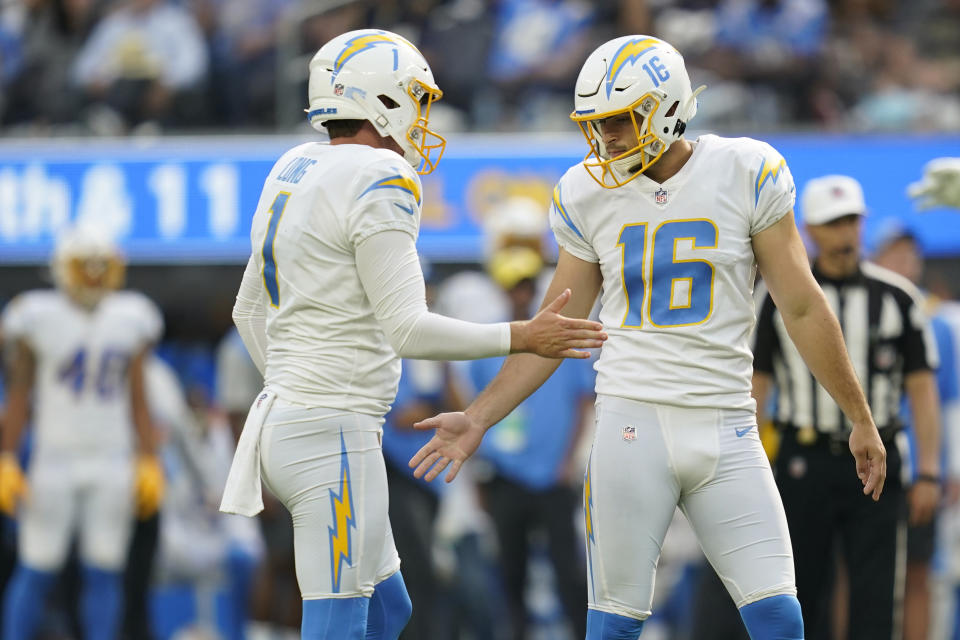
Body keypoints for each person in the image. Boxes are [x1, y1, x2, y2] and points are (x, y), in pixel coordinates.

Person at [410, 34, 888, 640]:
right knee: (613, 622)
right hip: (630, 424)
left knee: (777, 617)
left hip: (726, 422)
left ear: (666, 106)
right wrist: (479, 417)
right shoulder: (586, 191)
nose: (606, 137)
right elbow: (557, 333)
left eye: (619, 120)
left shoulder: (746, 169)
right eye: (597, 123)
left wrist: (858, 415)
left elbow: (800, 304)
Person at [217, 28, 607, 640]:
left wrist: (297, 389)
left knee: (388, 611)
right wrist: (522, 336)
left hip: (293, 425)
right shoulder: (381, 175)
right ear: (381, 100)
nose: (422, 117)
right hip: (331, 430)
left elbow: (247, 311)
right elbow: (406, 328)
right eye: (414, 99)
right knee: (339, 625)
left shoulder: (293, 164)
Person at [751, 175, 941, 639]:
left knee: (877, 598)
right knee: (802, 592)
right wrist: (752, 469)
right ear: (810, 230)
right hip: (805, 457)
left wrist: (930, 471)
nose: (845, 233)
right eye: (833, 223)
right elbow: (756, 387)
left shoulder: (898, 297)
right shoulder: (778, 298)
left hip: (879, 461)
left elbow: (921, 389)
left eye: (852, 221)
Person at [0, 224, 165, 640]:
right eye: (85, 266)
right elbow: (19, 394)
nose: (93, 274)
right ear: (62, 269)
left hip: (111, 457)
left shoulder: (131, 316)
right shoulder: (36, 315)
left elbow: (138, 398)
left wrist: (147, 458)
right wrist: (5, 456)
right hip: (53, 457)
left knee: (104, 569)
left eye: (100, 266)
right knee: (37, 567)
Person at [470, 245, 594, 640]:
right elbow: (476, 411)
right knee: (510, 572)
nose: (522, 293)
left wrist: (568, 461)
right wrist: (481, 473)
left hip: (553, 473)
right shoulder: (487, 341)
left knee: (568, 571)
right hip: (506, 473)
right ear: (503, 289)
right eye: (514, 285)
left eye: (527, 284)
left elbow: (582, 403)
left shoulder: (560, 335)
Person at [871, 221, 959, 640]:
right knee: (856, 568)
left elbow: (948, 402)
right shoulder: (857, 309)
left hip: (920, 467)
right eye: (895, 254)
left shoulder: (938, 322)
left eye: (911, 255)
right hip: (868, 464)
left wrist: (949, 467)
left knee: (920, 571)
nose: (905, 263)